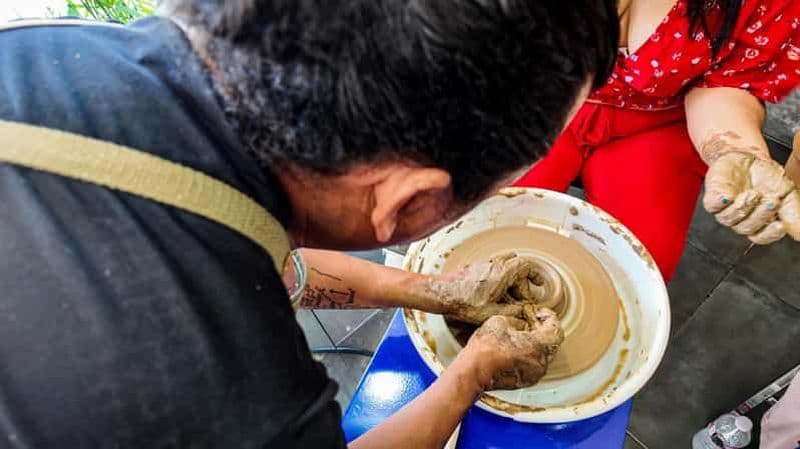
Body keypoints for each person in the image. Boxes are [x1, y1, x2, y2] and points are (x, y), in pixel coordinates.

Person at [0, 1, 617, 448]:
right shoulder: (239, 402)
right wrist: (473, 373)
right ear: (410, 204)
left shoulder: (49, 46)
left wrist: (436, 291)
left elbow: (247, 241)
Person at [513, 0, 800, 282]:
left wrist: (732, 148)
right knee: (486, 223)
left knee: (636, 270)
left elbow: (725, 82)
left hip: (662, 118)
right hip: (539, 96)